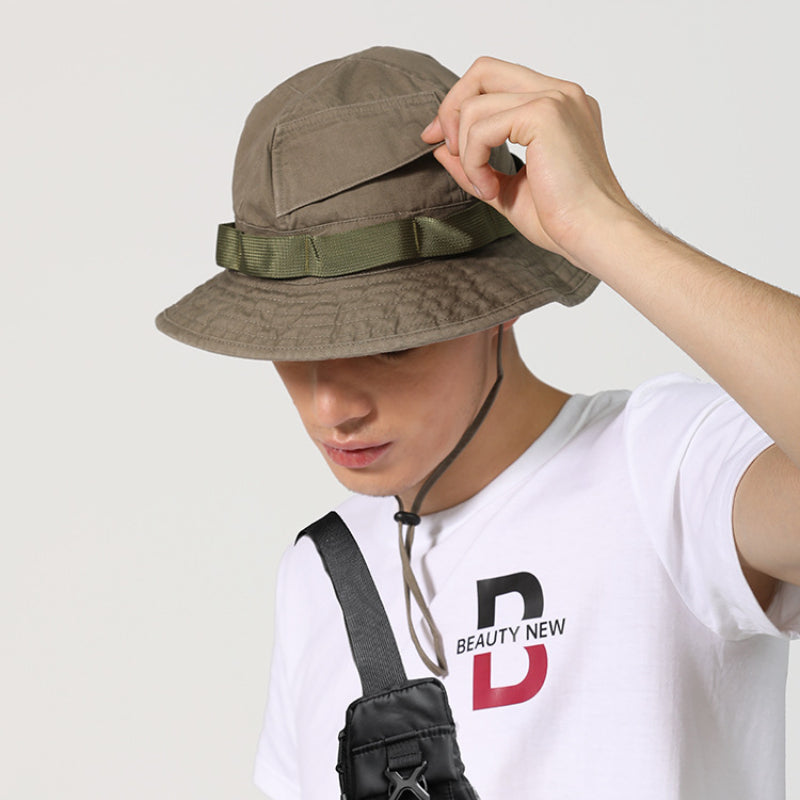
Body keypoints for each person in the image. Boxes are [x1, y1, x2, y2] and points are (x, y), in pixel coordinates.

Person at [156, 47, 800, 799]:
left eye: (389, 342)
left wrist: (601, 223)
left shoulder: (663, 470)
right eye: (293, 346)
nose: (331, 407)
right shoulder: (319, 571)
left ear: (495, 306)